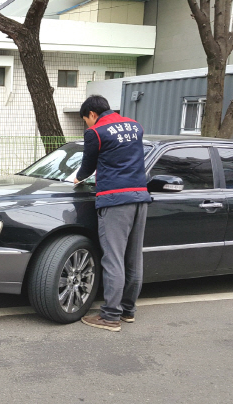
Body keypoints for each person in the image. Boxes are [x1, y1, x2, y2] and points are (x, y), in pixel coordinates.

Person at [74, 95, 151, 332]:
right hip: (140, 197)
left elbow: (88, 165)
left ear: (92, 114)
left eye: (86, 120)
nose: (88, 124)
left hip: (116, 200)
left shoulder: (96, 132)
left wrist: (76, 179)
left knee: (113, 258)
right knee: (133, 258)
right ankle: (128, 311)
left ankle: (109, 317)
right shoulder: (134, 126)